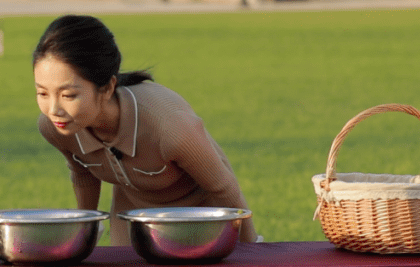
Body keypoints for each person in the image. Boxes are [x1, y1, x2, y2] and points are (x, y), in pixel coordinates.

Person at [32, 15, 259, 245]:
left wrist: (252, 251)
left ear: (108, 87)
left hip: (200, 218)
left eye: (68, 95)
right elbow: (83, 171)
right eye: (42, 93)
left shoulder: (170, 128)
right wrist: (82, 234)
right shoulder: (56, 128)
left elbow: (223, 188)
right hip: (133, 218)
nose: (53, 109)